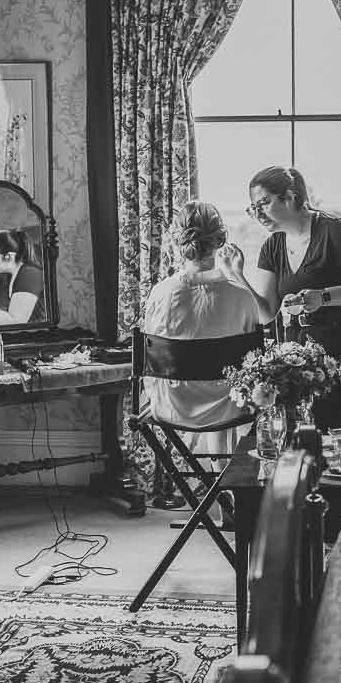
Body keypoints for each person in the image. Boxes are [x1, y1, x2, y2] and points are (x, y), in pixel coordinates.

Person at [216, 165, 341, 429]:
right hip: (304, 363)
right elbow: (266, 312)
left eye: (263, 203)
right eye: (253, 208)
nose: (258, 214)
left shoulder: (336, 233)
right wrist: (237, 275)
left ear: (290, 196)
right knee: (307, 438)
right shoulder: (273, 246)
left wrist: (324, 296)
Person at [142, 200, 260, 484]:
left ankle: (215, 491)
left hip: (175, 404)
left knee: (210, 385)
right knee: (227, 387)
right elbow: (252, 359)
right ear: (220, 240)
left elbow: (151, 353)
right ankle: (228, 490)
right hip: (229, 405)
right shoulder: (242, 297)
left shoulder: (161, 292)